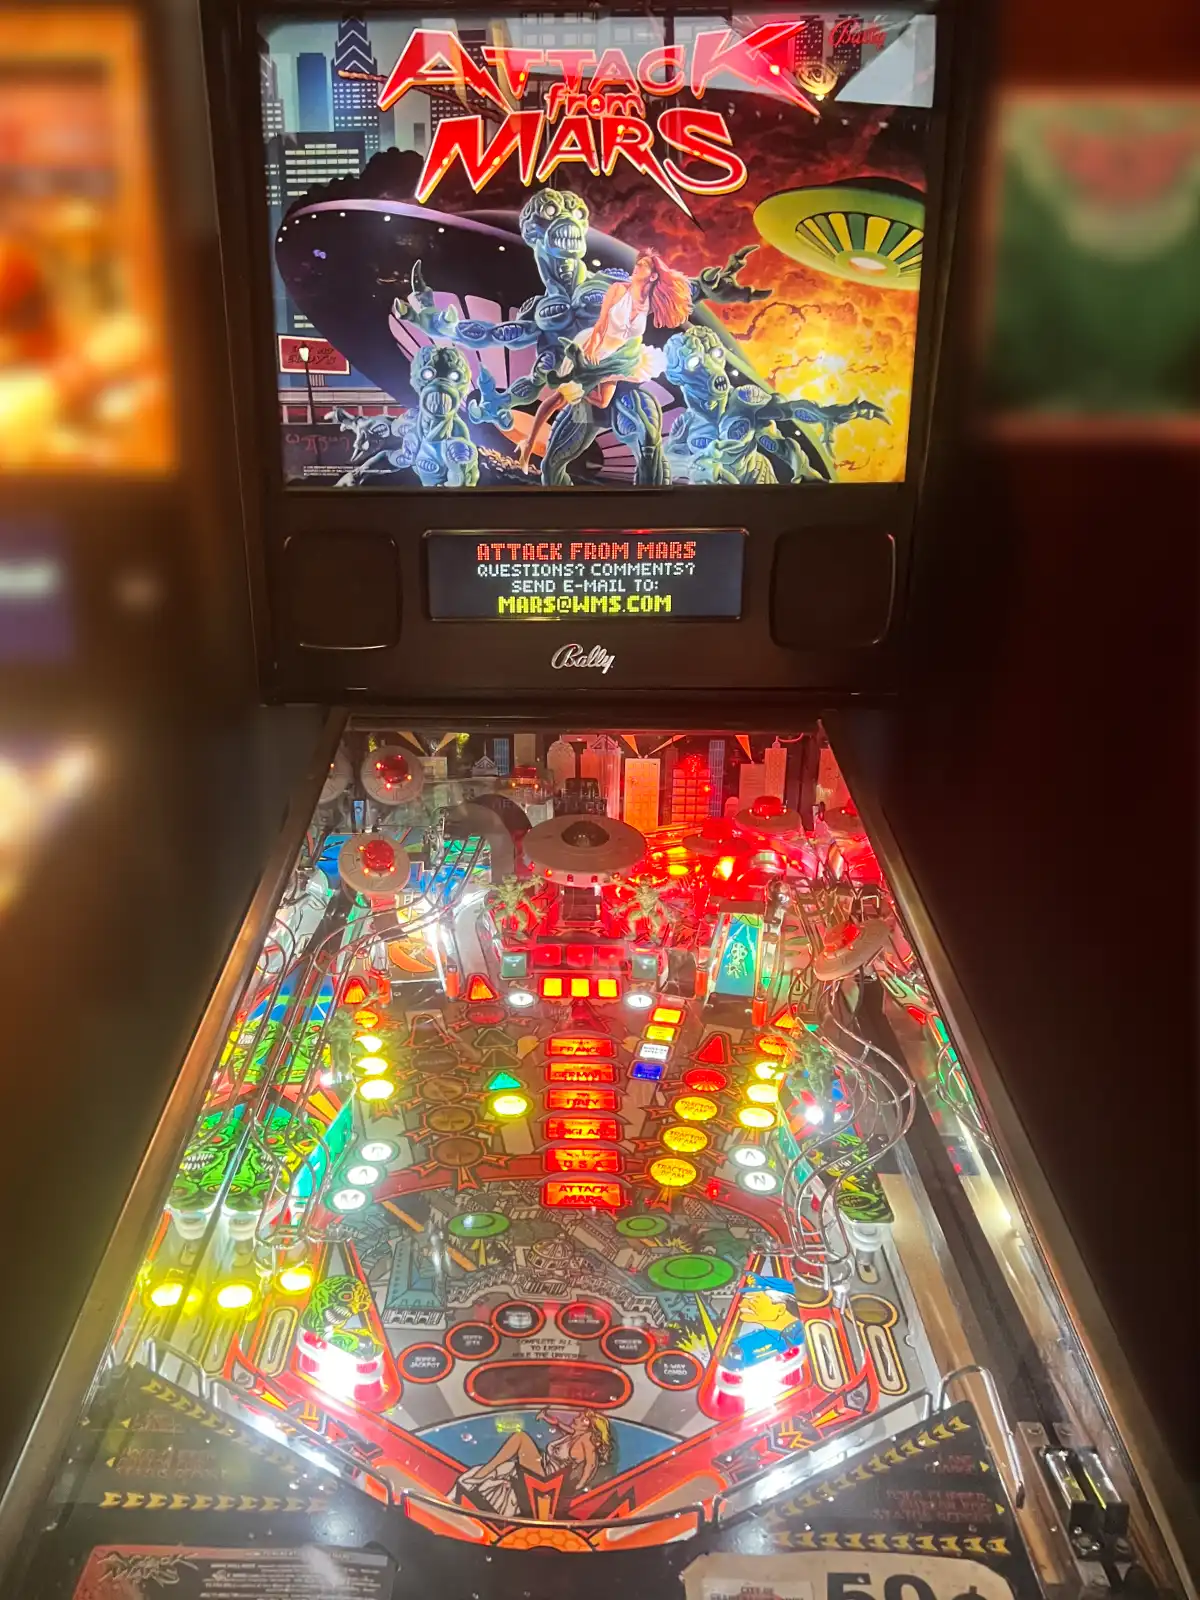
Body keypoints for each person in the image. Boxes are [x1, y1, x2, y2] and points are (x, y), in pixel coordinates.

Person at [456, 1408, 614, 1519]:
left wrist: (580, 1487)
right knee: (513, 1455)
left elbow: (591, 1465)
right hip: (543, 1467)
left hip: (547, 1479)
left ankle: (481, 1475)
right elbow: (564, 1428)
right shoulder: (576, 1435)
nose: (576, 1418)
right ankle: (481, 1475)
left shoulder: (587, 1440)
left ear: (590, 1425)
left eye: (582, 1418)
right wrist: (549, 1419)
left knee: (520, 1438)